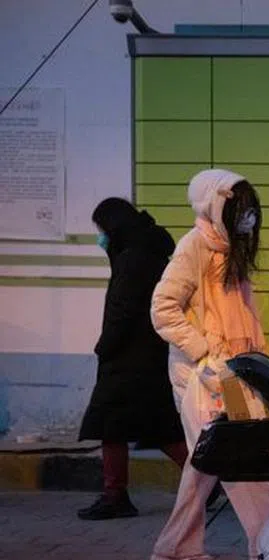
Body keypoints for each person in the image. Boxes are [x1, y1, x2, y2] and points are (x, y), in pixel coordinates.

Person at [149, 168, 269, 560]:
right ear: (215, 206)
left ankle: (174, 547)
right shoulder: (194, 247)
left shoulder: (229, 249)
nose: (248, 218)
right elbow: (162, 309)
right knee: (239, 457)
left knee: (207, 461)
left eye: (250, 210)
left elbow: (243, 316)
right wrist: (204, 350)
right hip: (203, 377)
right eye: (239, 209)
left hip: (232, 374)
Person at [77, 199, 186, 520]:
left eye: (102, 231)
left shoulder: (134, 259)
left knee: (111, 423)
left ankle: (116, 495)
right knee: (159, 425)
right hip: (147, 355)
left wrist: (104, 346)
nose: (101, 238)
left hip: (127, 356)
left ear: (114, 226)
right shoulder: (145, 251)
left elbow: (122, 310)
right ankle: (207, 482)